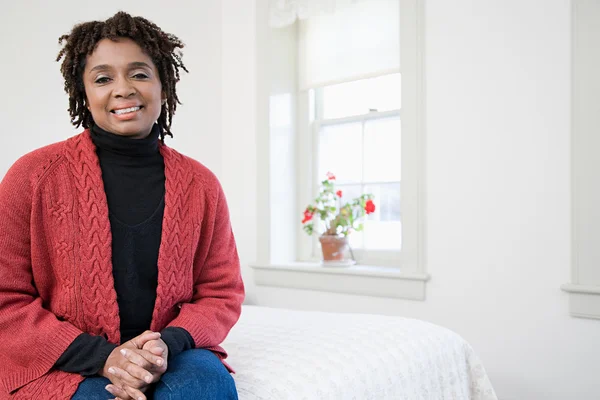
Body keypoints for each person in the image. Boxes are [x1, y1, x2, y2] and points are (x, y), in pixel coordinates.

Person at [0, 11, 244, 400]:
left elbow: (221, 291)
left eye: (140, 74)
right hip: (66, 359)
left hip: (170, 352)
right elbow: (5, 299)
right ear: (83, 94)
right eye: (102, 78)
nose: (123, 88)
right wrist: (104, 357)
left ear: (164, 86)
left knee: (206, 387)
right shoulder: (31, 176)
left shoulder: (202, 185)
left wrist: (169, 342)